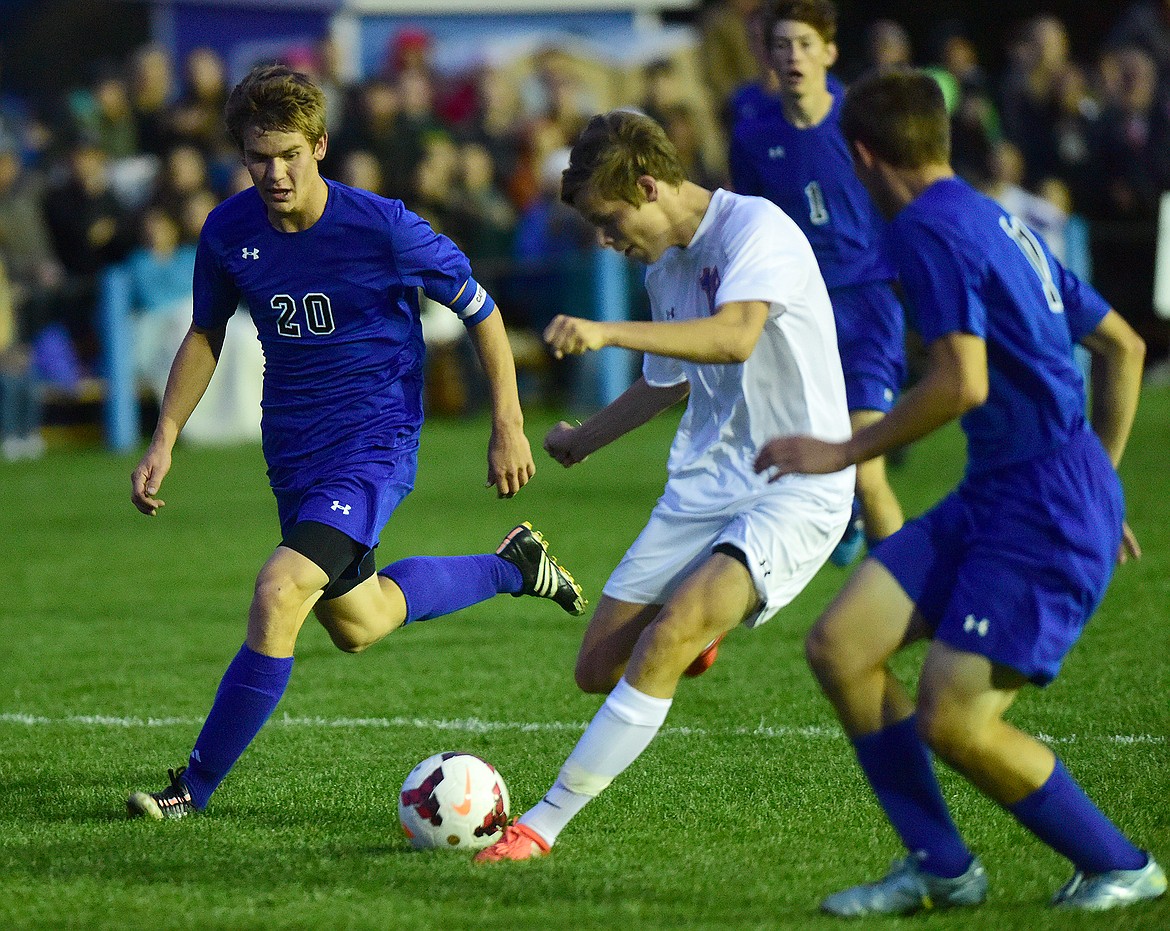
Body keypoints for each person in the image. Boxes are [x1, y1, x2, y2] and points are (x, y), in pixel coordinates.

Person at [125, 64, 586, 820]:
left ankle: (191, 786)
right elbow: (206, 332)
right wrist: (164, 436)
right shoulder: (229, 230)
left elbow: (481, 309)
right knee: (360, 622)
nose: (273, 173)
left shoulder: (382, 227)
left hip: (373, 445)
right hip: (293, 450)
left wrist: (508, 421)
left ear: (321, 145)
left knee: (279, 591)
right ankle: (513, 569)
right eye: (257, 157)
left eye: (288, 155)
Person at [754, 68, 1164, 914]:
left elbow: (959, 382)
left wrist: (844, 449)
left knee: (955, 719)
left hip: (1039, 509)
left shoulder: (925, 230)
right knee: (840, 645)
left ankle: (1122, 863)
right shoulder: (993, 216)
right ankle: (941, 865)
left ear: (862, 157)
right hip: (1008, 494)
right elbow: (1121, 345)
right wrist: (1103, 479)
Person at [474, 108, 855, 862]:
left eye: (612, 221)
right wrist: (584, 439)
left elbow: (734, 334)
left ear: (648, 185)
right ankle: (698, 635)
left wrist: (608, 331)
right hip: (705, 484)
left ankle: (539, 825)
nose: (608, 242)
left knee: (671, 631)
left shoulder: (757, 231)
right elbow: (667, 382)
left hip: (796, 482)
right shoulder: (666, 269)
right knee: (594, 670)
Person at [730, 0, 906, 566]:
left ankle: (905, 595)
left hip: (867, 309)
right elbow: (752, 230)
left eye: (805, 43)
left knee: (866, 466)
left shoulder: (866, 124)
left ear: (829, 52)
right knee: (781, 465)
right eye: (782, 45)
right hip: (798, 318)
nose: (793, 56)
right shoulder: (752, 138)